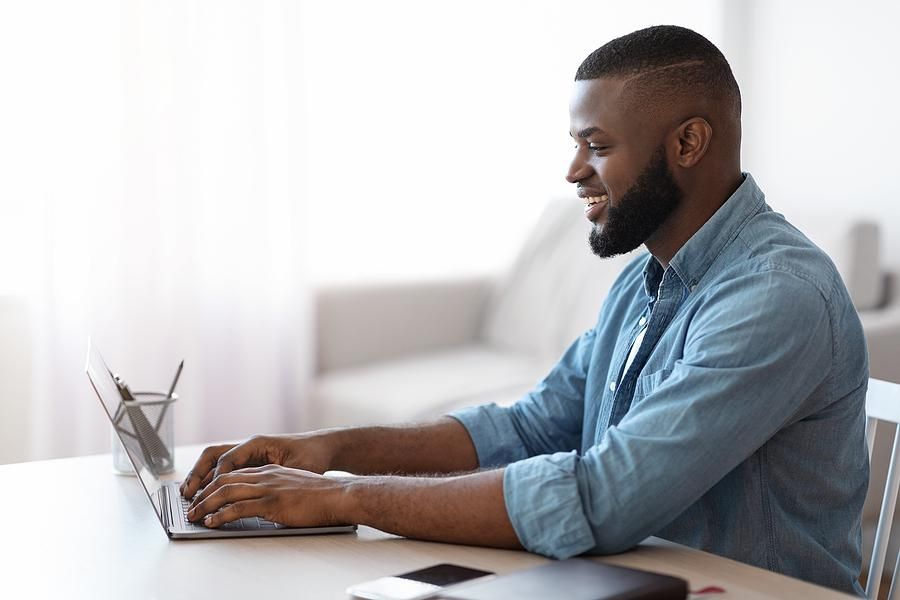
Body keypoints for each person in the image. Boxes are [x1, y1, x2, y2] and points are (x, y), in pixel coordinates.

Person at [181, 25, 868, 595]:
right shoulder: (645, 281)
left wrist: (343, 496)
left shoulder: (776, 296)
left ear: (688, 144)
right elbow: (532, 426)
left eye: (596, 146)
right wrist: (328, 449)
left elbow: (604, 498)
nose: (573, 171)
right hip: (628, 582)